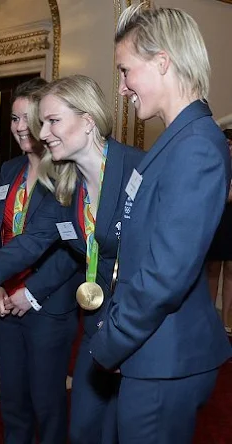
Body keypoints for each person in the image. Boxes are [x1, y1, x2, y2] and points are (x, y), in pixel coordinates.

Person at [0, 74, 144, 444]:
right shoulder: (59, 180)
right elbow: (28, 241)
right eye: (36, 121)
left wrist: (30, 291)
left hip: (131, 319)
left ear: (86, 120)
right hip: (97, 321)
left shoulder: (130, 170)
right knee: (77, 423)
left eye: (50, 121)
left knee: (111, 423)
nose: (37, 130)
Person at [88, 4, 232, 443]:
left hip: (164, 360)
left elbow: (164, 276)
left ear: (162, 61)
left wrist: (111, 342)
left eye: (126, 70)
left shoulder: (196, 147)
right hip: (151, 353)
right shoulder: (175, 141)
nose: (122, 86)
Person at [0, 77, 83, 444]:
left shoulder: (66, 171)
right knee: (12, 404)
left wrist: (32, 292)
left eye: (29, 118)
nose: (20, 127)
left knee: (47, 405)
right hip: (3, 305)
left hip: (47, 307)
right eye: (14, 118)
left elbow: (72, 248)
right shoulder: (8, 170)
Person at [207, 128, 232, 335]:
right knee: (213, 269)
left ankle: (225, 320)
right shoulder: (216, 162)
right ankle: (211, 318)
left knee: (231, 270)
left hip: (231, 221)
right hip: (217, 219)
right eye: (228, 143)